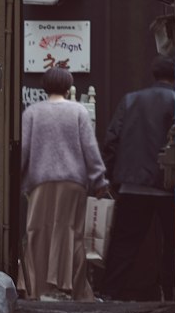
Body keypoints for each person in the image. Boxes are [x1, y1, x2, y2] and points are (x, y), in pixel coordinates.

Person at [20, 66, 111, 300]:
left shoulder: (32, 112)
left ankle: (39, 289)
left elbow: (24, 150)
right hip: (74, 182)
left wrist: (18, 178)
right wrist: (98, 179)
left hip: (41, 182)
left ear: (44, 85)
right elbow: (90, 149)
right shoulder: (78, 111)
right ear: (68, 85)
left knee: (37, 233)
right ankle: (76, 290)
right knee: (72, 233)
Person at [101, 54, 175, 301]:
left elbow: (112, 140)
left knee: (124, 243)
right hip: (168, 185)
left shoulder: (131, 100)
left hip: (132, 184)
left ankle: (110, 293)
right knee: (174, 242)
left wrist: (114, 176)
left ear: (154, 74)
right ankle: (172, 293)